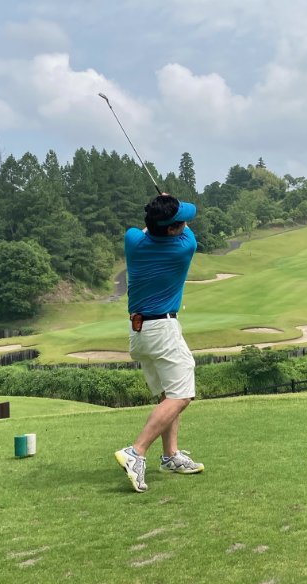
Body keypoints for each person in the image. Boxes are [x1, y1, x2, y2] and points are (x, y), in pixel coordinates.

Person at [114, 193, 205, 493]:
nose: (185, 224)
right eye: (180, 222)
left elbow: (147, 230)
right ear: (172, 229)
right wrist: (169, 201)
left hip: (139, 332)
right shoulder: (184, 248)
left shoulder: (132, 240)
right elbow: (187, 230)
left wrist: (161, 208)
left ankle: (170, 455)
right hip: (163, 329)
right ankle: (136, 451)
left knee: (168, 393)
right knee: (182, 395)